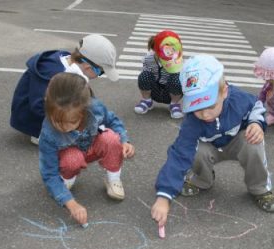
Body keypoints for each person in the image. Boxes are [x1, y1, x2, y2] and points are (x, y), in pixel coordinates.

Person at [151, 54, 274, 227]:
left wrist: (256, 123)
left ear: (224, 92)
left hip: (237, 142)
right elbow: (179, 154)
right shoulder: (192, 120)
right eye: (197, 108)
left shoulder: (238, 99)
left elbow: (257, 106)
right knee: (194, 150)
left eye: (210, 106)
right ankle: (203, 180)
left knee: (253, 143)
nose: (205, 114)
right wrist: (164, 196)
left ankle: (260, 189)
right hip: (210, 147)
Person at [39, 72, 134, 226]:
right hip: (70, 154)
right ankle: (67, 178)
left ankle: (113, 179)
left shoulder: (95, 108)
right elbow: (49, 174)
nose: (63, 127)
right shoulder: (49, 133)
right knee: (71, 160)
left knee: (111, 138)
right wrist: (71, 203)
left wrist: (125, 140)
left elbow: (112, 120)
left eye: (71, 121)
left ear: (83, 111)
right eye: (56, 120)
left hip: (91, 146)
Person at [10, 34, 119, 145]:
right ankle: (42, 134)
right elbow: (39, 106)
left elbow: (88, 99)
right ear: (89, 67)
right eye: (101, 72)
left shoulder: (72, 65)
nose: (99, 76)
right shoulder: (52, 72)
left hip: (47, 108)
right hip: (32, 118)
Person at [134, 30, 184, 119]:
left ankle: (174, 104)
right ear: (155, 50)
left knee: (178, 78)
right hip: (155, 90)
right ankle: (147, 101)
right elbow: (145, 78)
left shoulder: (178, 60)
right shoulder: (148, 59)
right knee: (144, 75)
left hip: (170, 92)